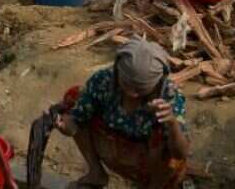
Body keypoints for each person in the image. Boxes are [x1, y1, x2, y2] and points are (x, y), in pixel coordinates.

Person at [56, 38, 190, 189]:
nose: (132, 94)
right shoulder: (103, 81)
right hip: (111, 146)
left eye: (140, 89)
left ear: (156, 83)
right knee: (74, 97)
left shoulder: (169, 96)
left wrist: (172, 123)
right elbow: (77, 121)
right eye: (126, 85)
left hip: (149, 163)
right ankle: (96, 173)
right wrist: (68, 126)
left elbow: (181, 153)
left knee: (176, 160)